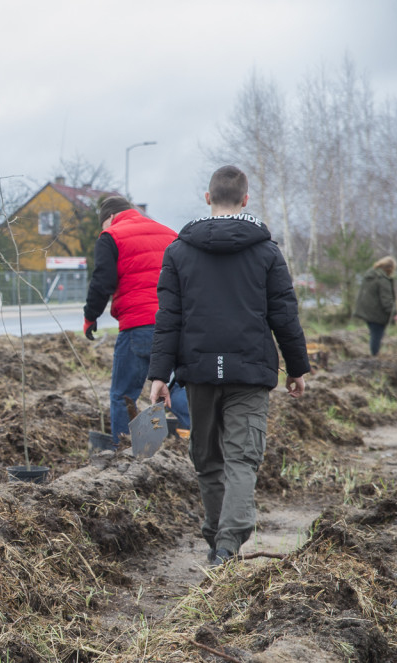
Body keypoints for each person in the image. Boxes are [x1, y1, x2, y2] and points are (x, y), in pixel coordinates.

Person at [148, 165, 311, 567]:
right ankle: (228, 544)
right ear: (246, 200)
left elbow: (168, 319)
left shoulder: (178, 251)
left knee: (208, 457)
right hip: (250, 372)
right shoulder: (267, 251)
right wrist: (296, 367)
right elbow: (284, 315)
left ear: (207, 198)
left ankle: (218, 538)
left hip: (199, 371)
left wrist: (157, 376)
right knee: (242, 458)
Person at [83, 195, 190, 446]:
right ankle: (204, 441)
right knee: (179, 386)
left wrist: (90, 316)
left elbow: (102, 282)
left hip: (138, 325)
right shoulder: (171, 234)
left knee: (124, 394)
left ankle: (124, 450)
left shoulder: (112, 235)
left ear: (109, 218)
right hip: (177, 326)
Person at [353, 256, 397, 356]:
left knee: (375, 334)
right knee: (377, 335)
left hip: (366, 311)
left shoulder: (371, 274)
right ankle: (375, 357)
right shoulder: (383, 279)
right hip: (376, 313)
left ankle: (375, 354)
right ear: (390, 268)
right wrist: (394, 313)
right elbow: (387, 300)